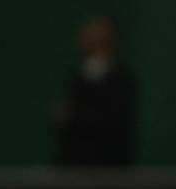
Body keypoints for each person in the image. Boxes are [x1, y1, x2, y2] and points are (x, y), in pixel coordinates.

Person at [55, 15, 136, 166]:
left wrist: (74, 117)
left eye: (98, 34)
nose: (90, 38)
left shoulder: (123, 79)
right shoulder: (77, 78)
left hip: (111, 166)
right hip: (76, 165)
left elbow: (115, 124)